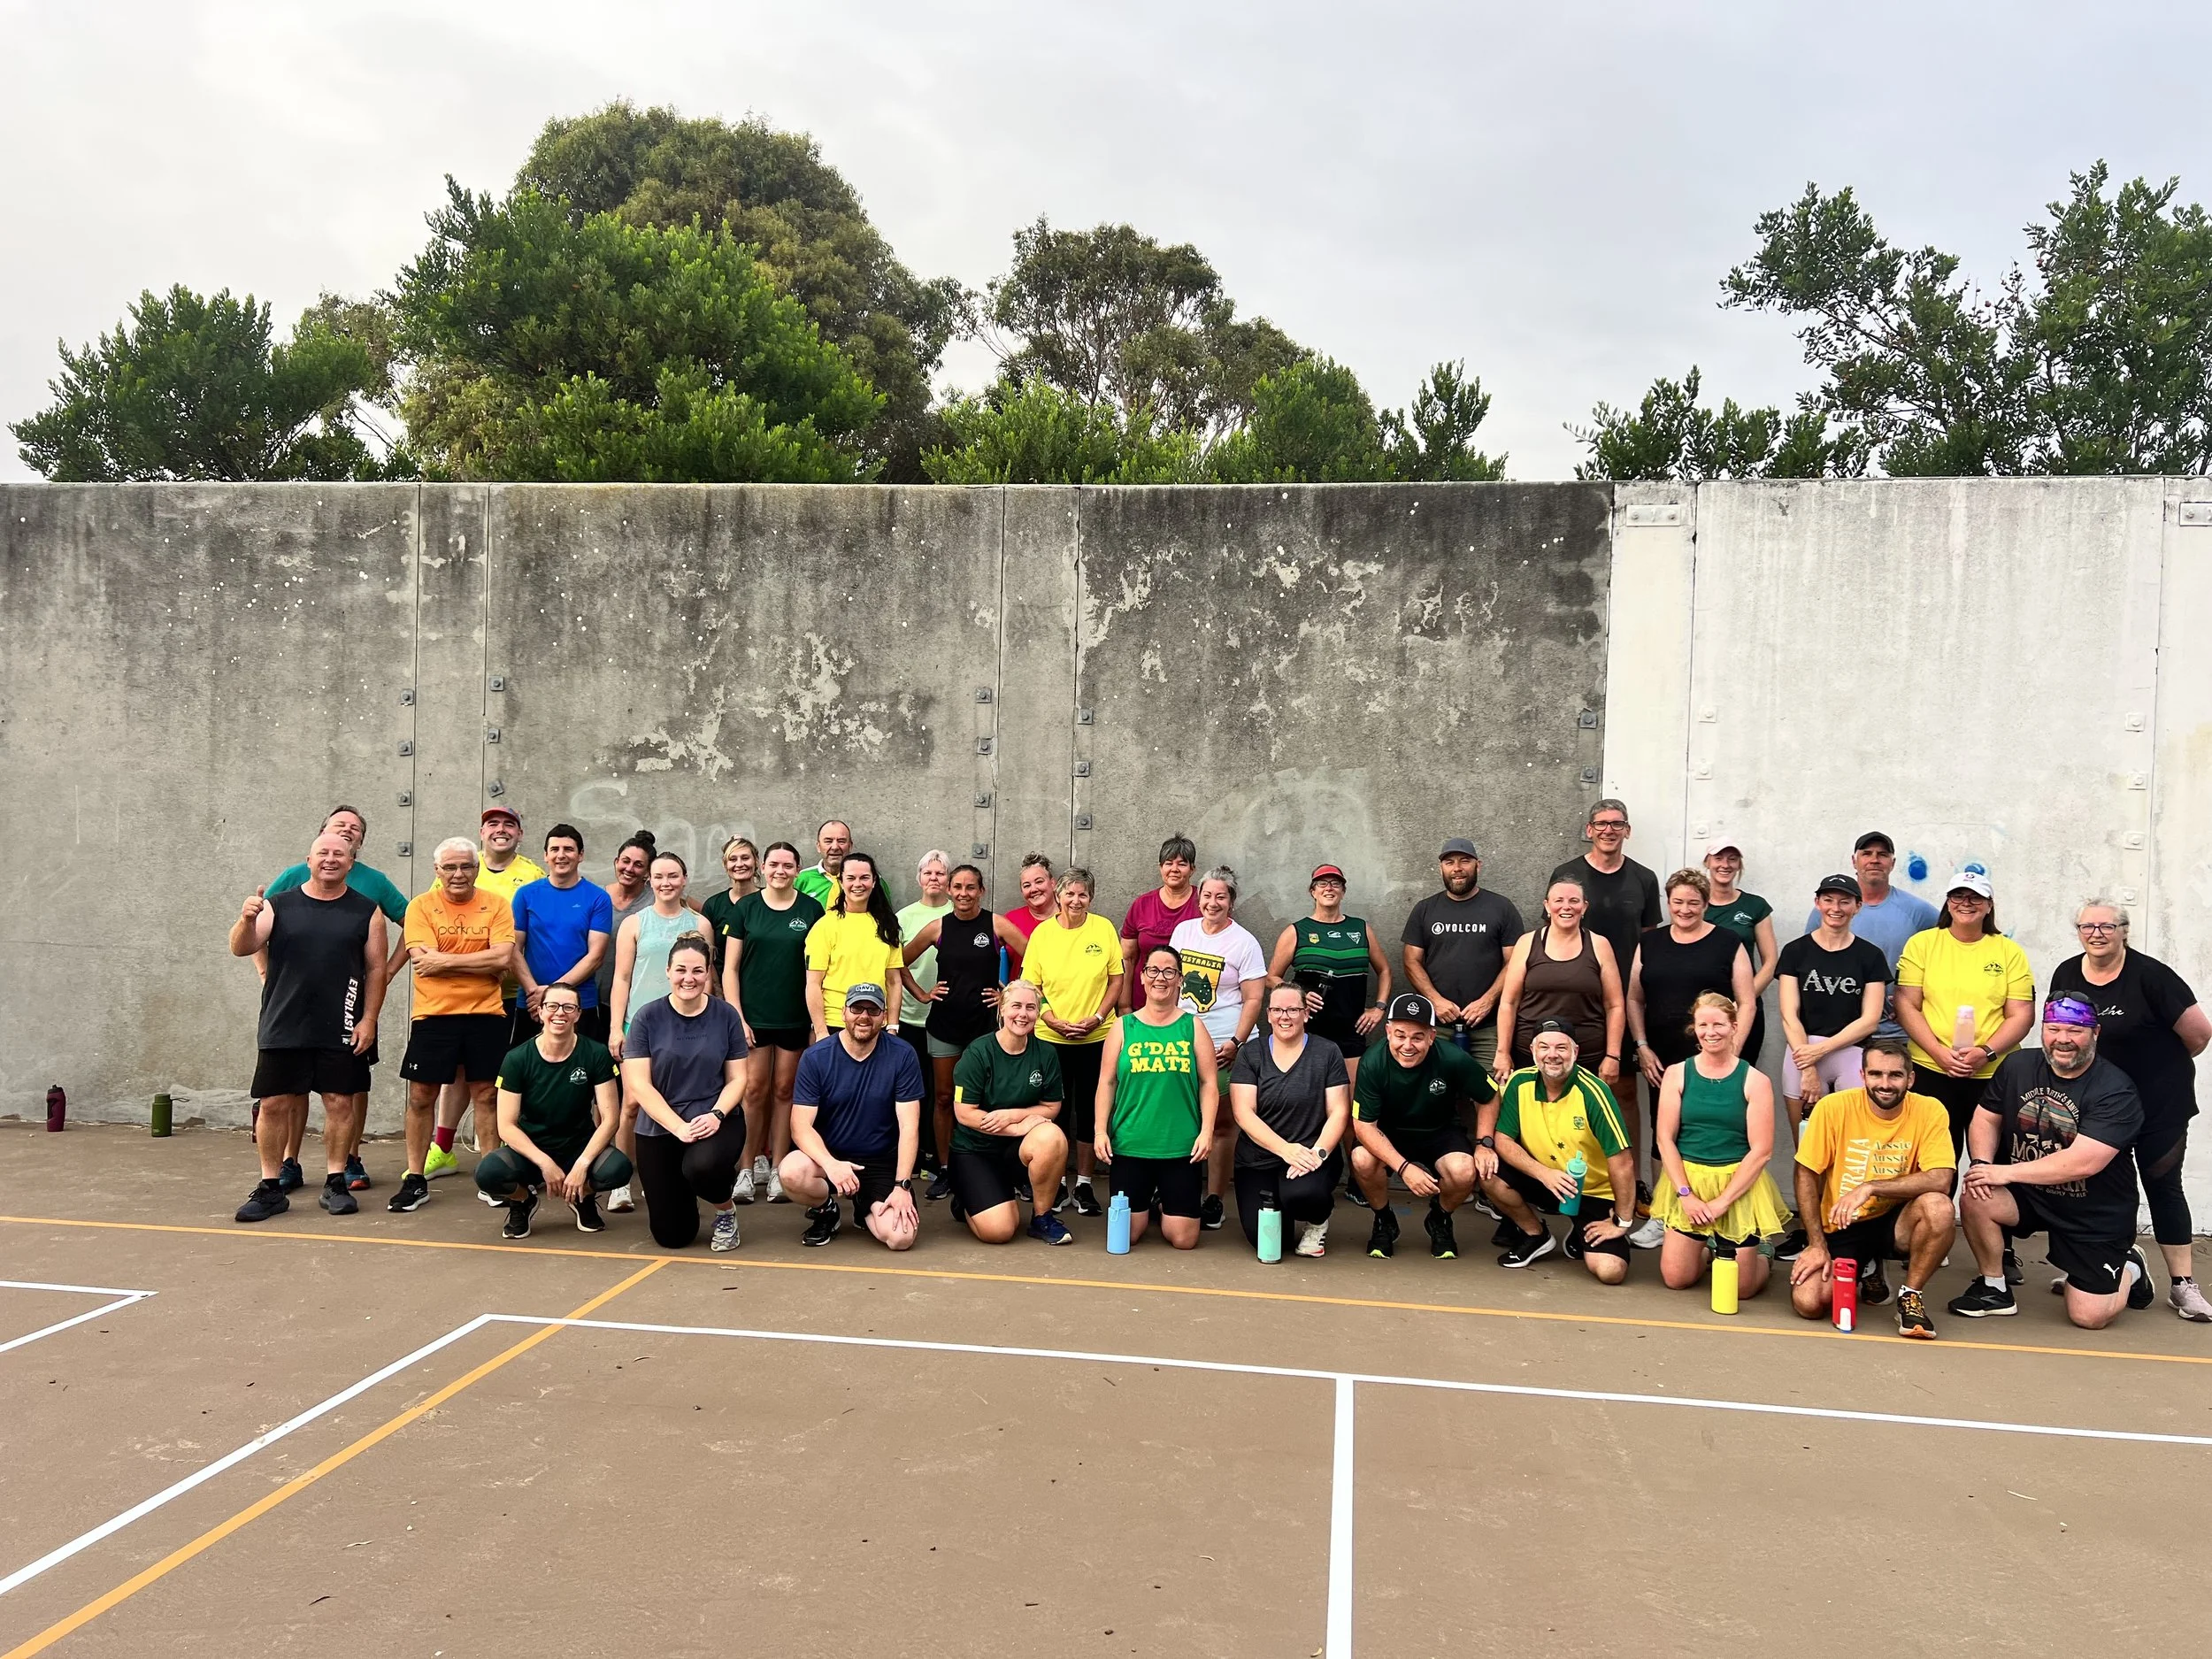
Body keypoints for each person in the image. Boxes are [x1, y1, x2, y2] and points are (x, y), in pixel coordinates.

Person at [2049, 904, 2211, 1321]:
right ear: (2078, 931)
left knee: (2163, 1185)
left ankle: (2183, 1286)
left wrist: (2156, 1068)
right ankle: (2096, 1266)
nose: (2097, 933)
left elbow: (2199, 1034)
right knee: (2095, 1184)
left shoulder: (2152, 976)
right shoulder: (2067, 973)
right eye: (2087, 925)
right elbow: (2063, 1032)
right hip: (2102, 1105)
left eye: (2107, 926)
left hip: (2160, 1102)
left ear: (2124, 931)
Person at [1948, 995, 2152, 1328]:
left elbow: (2082, 1163)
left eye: (2075, 1030)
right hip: (2031, 1195)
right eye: (2054, 1029)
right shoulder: (2017, 1066)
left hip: (2093, 1212)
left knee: (2089, 1317)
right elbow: (1985, 1118)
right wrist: (1982, 1163)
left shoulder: (2115, 1090)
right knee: (1978, 1190)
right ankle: (1994, 1288)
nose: (2063, 1039)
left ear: (2096, 1033)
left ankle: (2130, 1266)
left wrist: (2005, 1172)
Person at [228, 832, 387, 1223]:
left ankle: (335, 1182)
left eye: (339, 854)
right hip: (284, 1022)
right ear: (309, 860)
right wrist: (246, 920)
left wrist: (369, 1019)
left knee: (340, 1102)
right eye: (323, 853)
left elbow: (376, 970)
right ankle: (270, 1189)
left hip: (343, 1023)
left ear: (351, 862)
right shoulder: (278, 905)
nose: (331, 859)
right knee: (273, 1104)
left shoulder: (367, 911)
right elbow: (241, 947)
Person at [260, 804, 406, 1194]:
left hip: (347, 1007)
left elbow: (414, 921)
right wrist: (264, 971)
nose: (346, 831)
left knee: (347, 1092)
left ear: (358, 845)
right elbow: (257, 922)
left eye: (354, 829)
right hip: (294, 1007)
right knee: (290, 1090)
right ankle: (288, 1161)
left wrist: (387, 972)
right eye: (338, 825)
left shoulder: (374, 883)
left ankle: (348, 1161)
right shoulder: (293, 877)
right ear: (317, 841)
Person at [1787, 1037, 1956, 1338]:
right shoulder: (1833, 1107)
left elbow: (1941, 1178)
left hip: (1898, 1220)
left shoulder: (1930, 1110)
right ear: (1863, 1076)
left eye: (1895, 1075)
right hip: (1844, 1223)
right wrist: (1815, 1244)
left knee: (1939, 1207)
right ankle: (1867, 1266)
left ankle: (1910, 1297)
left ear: (1910, 1079)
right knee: (1809, 1303)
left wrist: (1870, 1187)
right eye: (1876, 1074)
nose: (1885, 1084)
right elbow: (1806, 1173)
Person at [1626, 868, 1755, 1244]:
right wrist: (1642, 1046)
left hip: (1713, 1055)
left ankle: (1723, 1212)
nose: (1685, 909)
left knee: (1716, 1130)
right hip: (1661, 1056)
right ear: (1668, 902)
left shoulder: (1728, 942)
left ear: (1706, 903)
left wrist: (1731, 1051)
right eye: (1678, 902)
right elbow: (1634, 997)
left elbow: (1747, 1001)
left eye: (1694, 903)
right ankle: (1664, 1215)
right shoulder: (1650, 943)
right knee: (1663, 1130)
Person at [388, 837, 516, 1215]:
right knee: (421, 1096)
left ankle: (491, 1177)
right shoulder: (420, 907)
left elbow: (503, 958)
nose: (458, 874)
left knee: (487, 1096)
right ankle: (415, 1179)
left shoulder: (497, 905)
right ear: (437, 871)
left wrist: (444, 961)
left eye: (466, 866)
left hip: (486, 1013)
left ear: (477, 868)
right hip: (434, 1015)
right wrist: (481, 960)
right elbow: (421, 960)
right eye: (450, 867)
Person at [1553, 799, 1661, 1206]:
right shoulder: (1567, 875)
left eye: (1617, 824)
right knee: (1563, 1087)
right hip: (1575, 996)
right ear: (1589, 830)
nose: (1609, 831)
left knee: (1624, 1092)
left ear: (1627, 830)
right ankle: (1566, 1178)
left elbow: (1649, 940)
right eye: (1601, 824)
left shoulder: (1644, 879)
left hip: (1626, 1000)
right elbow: (1555, 931)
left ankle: (1631, 1180)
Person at [1648, 994, 1792, 1296]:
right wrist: (1686, 1195)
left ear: (1734, 1027)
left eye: (1718, 1025)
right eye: (1703, 1025)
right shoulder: (1677, 1074)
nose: (1710, 1032)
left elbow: (1762, 1150)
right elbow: (1665, 1139)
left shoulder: (1755, 1080)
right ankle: (1706, 1247)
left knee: (1741, 1289)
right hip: (1690, 1181)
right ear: (1694, 1028)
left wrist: (1723, 1202)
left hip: (1736, 1183)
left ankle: (1762, 1253)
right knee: (1676, 1278)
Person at [903, 865, 1030, 1201]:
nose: (963, 893)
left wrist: (1009, 994)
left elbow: (1037, 957)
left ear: (981, 891)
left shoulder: (995, 924)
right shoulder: (938, 927)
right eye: (957, 886)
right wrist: (922, 994)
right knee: (945, 1097)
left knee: (989, 1099)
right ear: (949, 890)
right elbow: (897, 962)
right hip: (945, 1026)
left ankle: (994, 1167)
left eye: (970, 887)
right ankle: (947, 1169)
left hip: (985, 1029)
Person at [622, 933, 750, 1252]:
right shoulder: (646, 1017)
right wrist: (678, 1127)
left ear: (707, 973)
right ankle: (684, 1193)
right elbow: (639, 1084)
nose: (688, 978)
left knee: (702, 1168)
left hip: (715, 1119)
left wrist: (717, 1114)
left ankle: (724, 1210)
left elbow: (737, 1079)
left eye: (697, 971)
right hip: (661, 1126)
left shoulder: (726, 1015)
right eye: (681, 970)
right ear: (668, 971)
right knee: (673, 1236)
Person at [1479, 1022, 1638, 1280]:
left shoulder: (1594, 1091)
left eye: (1561, 1048)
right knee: (1488, 1172)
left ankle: (1581, 1229)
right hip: (1545, 1179)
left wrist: (1622, 1221)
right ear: (1533, 1051)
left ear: (1575, 1051)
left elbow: (1623, 1162)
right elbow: (1503, 1139)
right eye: (1544, 1047)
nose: (1552, 1054)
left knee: (1611, 1272)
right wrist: (1544, 1174)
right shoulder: (1520, 1082)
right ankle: (1536, 1234)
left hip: (1591, 1190)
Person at [474, 980, 633, 1238]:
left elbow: (610, 1119)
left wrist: (582, 1165)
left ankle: (581, 1196)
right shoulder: (517, 1059)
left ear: (578, 1014)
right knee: (488, 1174)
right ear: (540, 1012)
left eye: (569, 1007)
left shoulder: (596, 1054)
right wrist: (545, 1163)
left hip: (578, 1146)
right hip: (531, 1150)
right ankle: (523, 1201)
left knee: (618, 1169)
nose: (560, 1013)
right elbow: (506, 1126)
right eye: (552, 1006)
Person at [1348, 993, 1499, 1260]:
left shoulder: (1453, 1058)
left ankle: (1440, 1217)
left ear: (1432, 1036)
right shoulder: (1372, 1062)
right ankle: (1384, 1219)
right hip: (1389, 1134)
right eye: (1400, 1035)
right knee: (1361, 1159)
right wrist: (1404, 1168)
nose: (1408, 1045)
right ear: (1388, 1032)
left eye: (1417, 1037)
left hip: (1439, 1131)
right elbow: (1364, 1127)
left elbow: (1489, 1096)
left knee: (1464, 1171)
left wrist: (1485, 1143)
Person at [1895, 871, 2035, 1158]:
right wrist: (1938, 1053)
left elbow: (2021, 1014)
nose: (1966, 903)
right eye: (1958, 896)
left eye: (1976, 897)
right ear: (1948, 902)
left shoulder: (2009, 952)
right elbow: (1906, 1004)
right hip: (1931, 1068)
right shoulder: (1922, 944)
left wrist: (1986, 1052)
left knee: (1993, 1163)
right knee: (1933, 1163)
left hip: (1993, 1073)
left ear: (1989, 905)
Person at [719, 841, 825, 1207]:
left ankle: (779, 1167)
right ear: (762, 868)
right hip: (753, 1019)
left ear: (797, 870)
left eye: (788, 865)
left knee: (784, 1091)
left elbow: (816, 971)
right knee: (752, 1091)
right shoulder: (746, 908)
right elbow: (729, 969)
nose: (780, 871)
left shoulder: (811, 910)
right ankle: (747, 1168)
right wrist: (737, 1016)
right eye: (774, 864)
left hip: (794, 1018)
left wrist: (815, 1023)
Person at [782, 982, 925, 1249]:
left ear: (884, 1017)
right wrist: (831, 1164)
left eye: (873, 1010)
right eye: (857, 1009)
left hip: (880, 1161)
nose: (864, 1017)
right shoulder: (816, 1058)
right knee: (791, 1171)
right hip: (830, 1157)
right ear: (844, 1013)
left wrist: (902, 1186)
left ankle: (864, 1205)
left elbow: (909, 1127)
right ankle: (826, 1210)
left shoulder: (903, 1055)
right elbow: (800, 1126)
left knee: (900, 1238)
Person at [603, 849, 708, 1214]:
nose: (666, 883)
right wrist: (616, 1027)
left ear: (684, 879)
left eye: (673, 876)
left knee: (676, 1101)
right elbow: (621, 978)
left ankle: (663, 1178)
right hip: (640, 1025)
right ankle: (621, 1182)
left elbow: (706, 981)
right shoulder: (634, 923)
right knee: (633, 1103)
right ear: (650, 880)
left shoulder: (699, 924)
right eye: (659, 876)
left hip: (686, 1028)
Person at [1094, 944, 1218, 1249]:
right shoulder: (1124, 1026)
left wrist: (1206, 1131)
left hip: (1180, 1147)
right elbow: (1107, 1082)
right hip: (1131, 1145)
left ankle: (1163, 1201)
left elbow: (1208, 1083)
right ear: (1141, 976)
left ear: (1180, 980)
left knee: (1183, 1240)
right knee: (1126, 1235)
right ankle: (1149, 1199)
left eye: (1169, 972)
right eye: (1153, 970)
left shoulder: (1193, 1026)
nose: (1160, 978)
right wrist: (1100, 1131)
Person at [1171, 865, 1267, 1230]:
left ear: (1232, 901)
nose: (1213, 902)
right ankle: (1176, 1190)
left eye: (1221, 896)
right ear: (1198, 898)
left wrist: (1236, 1042)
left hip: (1227, 1045)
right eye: (1207, 895)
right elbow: (1171, 984)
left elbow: (1254, 998)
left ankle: (1214, 1199)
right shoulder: (1184, 931)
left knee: (1223, 1125)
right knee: (1182, 1117)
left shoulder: (1245, 942)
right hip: (1184, 1042)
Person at [1227, 983, 1353, 1256]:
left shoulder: (1327, 1052)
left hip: (1309, 1154)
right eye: (1277, 1010)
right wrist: (1285, 1150)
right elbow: (1243, 1112)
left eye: (1293, 1010)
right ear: (1269, 1015)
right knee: (1270, 1242)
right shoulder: (1251, 1053)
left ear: (1306, 1014)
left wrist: (1318, 1154)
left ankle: (1317, 1220)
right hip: (1259, 1159)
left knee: (1302, 1196)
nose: (1285, 1017)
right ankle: (1282, 1205)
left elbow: (1339, 1111)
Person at [1026, 867, 1125, 1215]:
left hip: (1095, 1037)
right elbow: (1032, 986)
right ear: (1058, 896)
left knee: (1089, 1111)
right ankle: (1055, 1184)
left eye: (1083, 894)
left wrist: (1096, 1018)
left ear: (1091, 898)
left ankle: (1083, 1185)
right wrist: (1050, 1018)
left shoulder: (1104, 928)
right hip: (1050, 1038)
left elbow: (1116, 979)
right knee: (1053, 1112)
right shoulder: (1042, 934)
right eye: (1069, 893)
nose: (1076, 900)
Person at [946, 979, 1073, 1245]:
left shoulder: (1046, 1053)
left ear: (1038, 1013)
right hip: (976, 1150)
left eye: (1030, 1008)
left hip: (1016, 1151)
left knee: (1053, 1137)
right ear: (1002, 1009)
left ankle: (1042, 1218)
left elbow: (1051, 1107)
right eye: (1016, 1006)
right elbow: (965, 1113)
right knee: (1000, 1232)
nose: (1023, 1014)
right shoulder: (977, 1053)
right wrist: (1017, 1128)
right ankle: (967, 1200)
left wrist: (1013, 1116)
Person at [1491, 872, 1625, 1094]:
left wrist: (1613, 1055)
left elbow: (1615, 1005)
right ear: (1547, 905)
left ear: (1584, 907)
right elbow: (1509, 1003)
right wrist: (1503, 1052)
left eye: (1574, 901)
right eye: (1559, 900)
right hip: (1531, 1055)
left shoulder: (1600, 945)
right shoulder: (1527, 943)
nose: (1566, 907)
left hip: (1587, 1057)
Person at [1775, 874, 1889, 1134]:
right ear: (1818, 903)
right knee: (1806, 1145)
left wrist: (1821, 1050)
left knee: (1851, 1144)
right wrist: (1808, 1066)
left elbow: (1870, 1020)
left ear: (1857, 906)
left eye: (1844, 902)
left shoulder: (1870, 956)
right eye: (1828, 900)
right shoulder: (1795, 951)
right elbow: (1789, 1014)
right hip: (1801, 1053)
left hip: (1850, 1053)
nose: (1836, 908)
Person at [1401, 837, 1525, 1074]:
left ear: (1478, 865)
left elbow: (1515, 961)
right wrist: (1435, 1000)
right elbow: (1410, 961)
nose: (1457, 868)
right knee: (1434, 1088)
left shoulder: (1502, 908)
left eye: (1465, 861)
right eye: (1450, 862)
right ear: (1441, 868)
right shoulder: (1425, 909)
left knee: (1492, 1089)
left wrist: (1487, 1001)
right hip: (1437, 1026)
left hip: (1489, 1027)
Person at [1267, 864, 1390, 1093]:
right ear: (1312, 891)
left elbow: (1384, 970)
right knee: (1308, 1098)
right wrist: (1299, 995)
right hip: (1308, 1030)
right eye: (1322, 883)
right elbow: (1271, 977)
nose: (1329, 888)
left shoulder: (1360, 928)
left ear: (1343, 891)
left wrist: (1379, 1008)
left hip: (1351, 1030)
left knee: (1349, 1100)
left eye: (1335, 884)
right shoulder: (1297, 931)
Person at [1804, 832, 1938, 1037]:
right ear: (1854, 861)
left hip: (1893, 1033)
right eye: (1867, 853)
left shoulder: (1919, 911)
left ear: (1892, 863)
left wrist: (1913, 1000)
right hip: (1838, 1031)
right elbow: (1811, 965)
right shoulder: (1829, 912)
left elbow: (1948, 955)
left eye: (1882, 854)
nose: (1874, 860)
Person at [508, 823, 613, 1047]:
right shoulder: (526, 895)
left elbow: (595, 957)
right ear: (545, 855)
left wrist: (551, 995)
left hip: (579, 1004)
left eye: (569, 849)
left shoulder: (598, 898)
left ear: (580, 855)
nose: (561, 855)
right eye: (555, 849)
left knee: (581, 1067)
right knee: (527, 1066)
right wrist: (535, 992)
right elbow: (513, 949)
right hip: (531, 1002)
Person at [895, 850, 956, 1187]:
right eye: (928, 873)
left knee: (943, 1093)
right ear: (919, 878)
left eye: (940, 873)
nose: (934, 878)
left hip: (949, 1021)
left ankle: (938, 1156)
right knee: (913, 1091)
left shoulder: (959, 913)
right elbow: (894, 964)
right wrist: (919, 993)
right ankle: (914, 1154)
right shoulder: (903, 917)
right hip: (910, 1017)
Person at [805, 850, 905, 1037]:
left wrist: (893, 1026)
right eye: (851, 878)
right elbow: (813, 983)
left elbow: (893, 981)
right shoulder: (824, 926)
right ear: (841, 882)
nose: (858, 884)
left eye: (864, 878)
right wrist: (821, 1032)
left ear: (874, 882)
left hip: (876, 1023)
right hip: (835, 1024)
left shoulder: (887, 925)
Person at [1701, 840, 1778, 1064]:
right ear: (1707, 862)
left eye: (1732, 859)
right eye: (1718, 858)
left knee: (1740, 1072)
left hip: (1744, 1009)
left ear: (1739, 865)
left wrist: (1741, 1002)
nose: (1725, 865)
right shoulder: (1694, 905)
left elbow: (1771, 962)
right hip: (1703, 1009)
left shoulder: (1755, 906)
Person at [588, 832, 657, 1045]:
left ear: (648, 872)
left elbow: (694, 911)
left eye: (638, 865)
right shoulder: (597, 897)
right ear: (616, 861)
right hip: (594, 998)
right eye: (625, 861)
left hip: (634, 1002)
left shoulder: (656, 899)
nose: (629, 868)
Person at [1119, 834, 1201, 1010]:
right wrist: (1124, 1005)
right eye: (1169, 863)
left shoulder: (1203, 904)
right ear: (1160, 867)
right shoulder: (1142, 904)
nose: (1174, 869)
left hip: (1189, 1005)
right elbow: (1127, 958)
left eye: (1182, 864)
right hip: (1143, 1002)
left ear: (1192, 869)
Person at [699, 836, 759, 987]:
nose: (739, 864)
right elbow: (707, 959)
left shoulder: (768, 901)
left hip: (761, 989)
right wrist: (718, 993)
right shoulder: (713, 906)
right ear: (725, 864)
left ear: (757, 861)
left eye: (745, 858)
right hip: (723, 991)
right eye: (733, 859)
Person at [1002, 851, 1056, 978]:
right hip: (1020, 989)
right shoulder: (1010, 921)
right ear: (1022, 891)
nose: (1034, 889)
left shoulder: (1069, 919)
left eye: (1039, 882)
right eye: (1027, 886)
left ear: (1053, 884)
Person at [795, 819, 852, 910]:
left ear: (850, 846)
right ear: (818, 846)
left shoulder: (863, 879)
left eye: (841, 841)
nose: (835, 847)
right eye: (828, 841)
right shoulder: (802, 878)